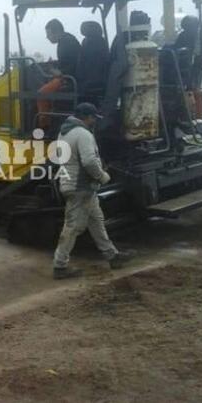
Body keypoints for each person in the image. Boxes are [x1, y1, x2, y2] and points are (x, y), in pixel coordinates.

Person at [53, 102, 131, 279]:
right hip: (81, 187)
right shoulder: (83, 134)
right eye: (93, 117)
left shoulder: (64, 132)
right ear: (87, 117)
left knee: (96, 221)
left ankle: (113, 256)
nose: (94, 121)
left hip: (74, 184)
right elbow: (88, 161)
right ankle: (59, 265)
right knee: (73, 226)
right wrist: (102, 176)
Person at [38, 19, 81, 128]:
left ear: (56, 32)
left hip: (69, 79)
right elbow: (69, 61)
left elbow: (70, 68)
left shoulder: (65, 43)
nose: (47, 37)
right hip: (71, 77)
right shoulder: (69, 40)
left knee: (41, 93)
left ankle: (44, 126)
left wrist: (55, 71)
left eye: (48, 34)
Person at [77, 21, 110, 104]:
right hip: (96, 80)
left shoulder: (91, 44)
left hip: (92, 82)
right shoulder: (100, 42)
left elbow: (84, 66)